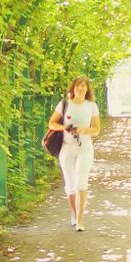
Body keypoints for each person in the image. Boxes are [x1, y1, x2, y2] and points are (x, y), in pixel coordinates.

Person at [47, 76, 100, 231]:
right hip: (67, 147)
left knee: (81, 183)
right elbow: (52, 123)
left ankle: (79, 220)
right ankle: (74, 212)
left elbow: (96, 130)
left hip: (85, 147)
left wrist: (83, 129)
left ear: (87, 89)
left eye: (83, 86)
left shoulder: (91, 106)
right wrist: (64, 127)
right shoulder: (64, 104)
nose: (80, 88)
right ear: (73, 88)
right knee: (70, 185)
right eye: (77, 85)